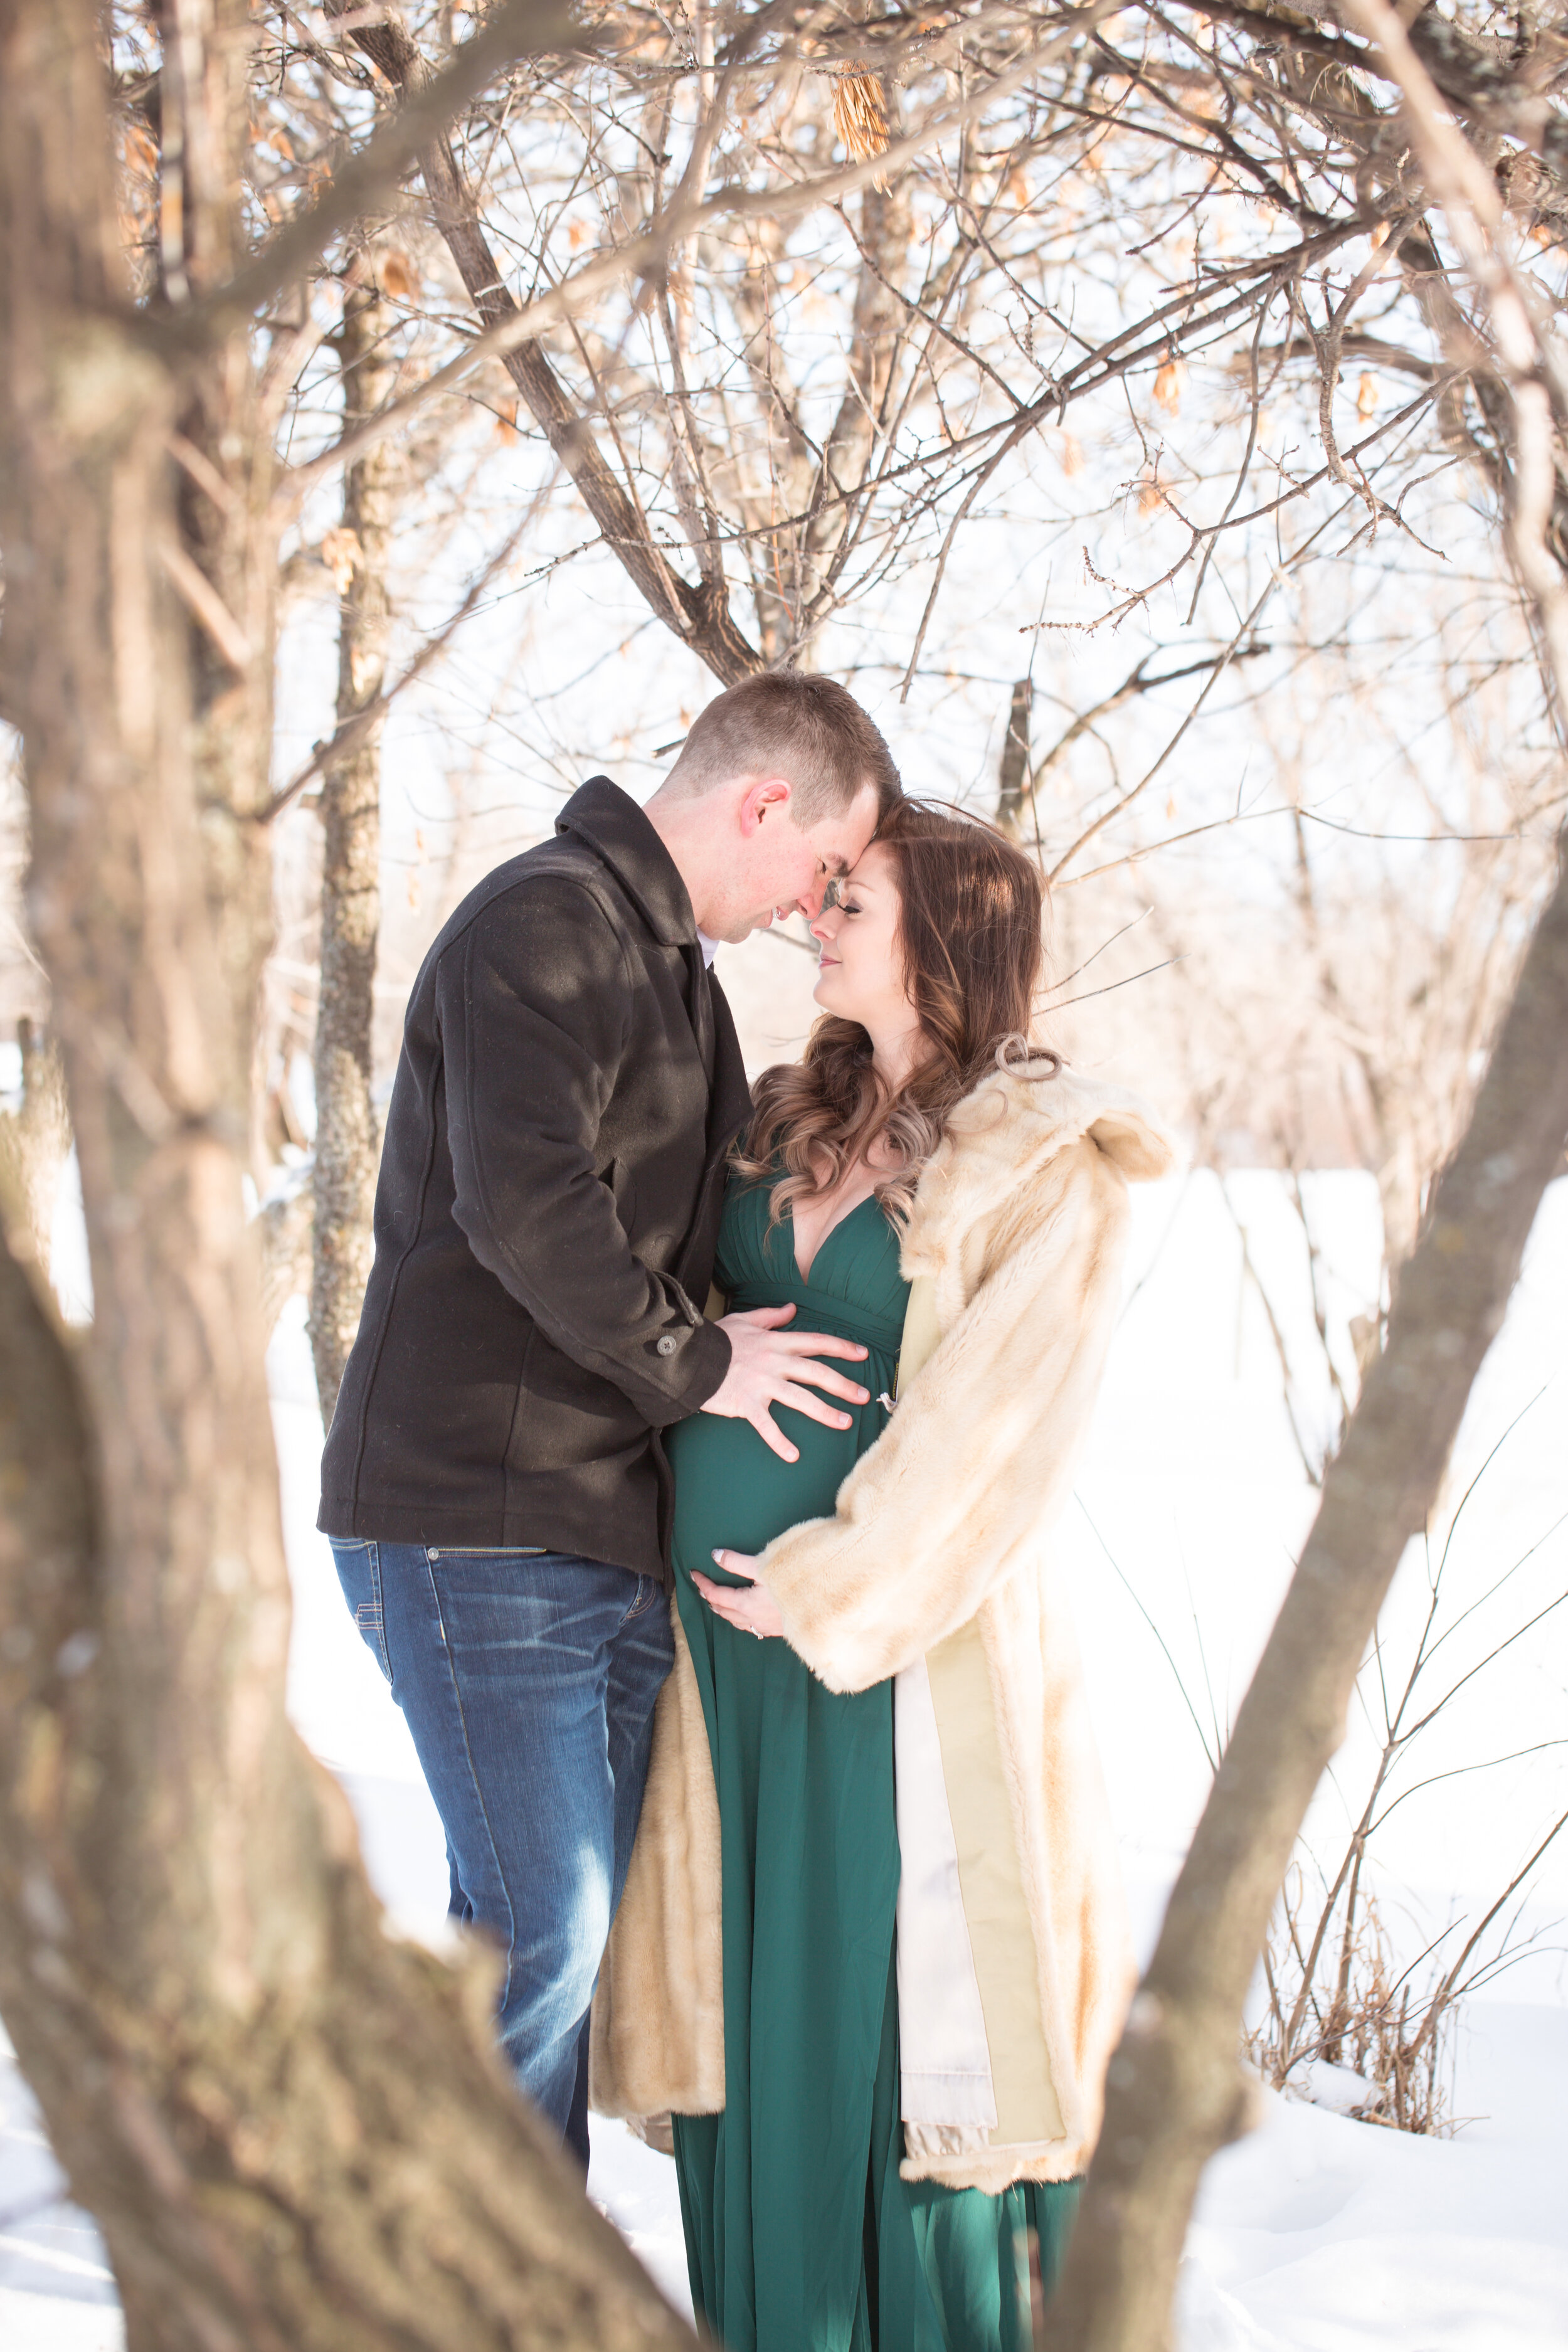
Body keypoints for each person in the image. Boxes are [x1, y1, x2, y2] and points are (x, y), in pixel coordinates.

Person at [588, 801, 1173, 2350]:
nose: (819, 915)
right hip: (719, 1667)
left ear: (946, 943)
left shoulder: (1047, 1160)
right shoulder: (778, 1116)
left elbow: (1003, 1425)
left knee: (898, 2024)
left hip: (901, 1670)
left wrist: (831, 1585)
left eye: (857, 899)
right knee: (746, 2018)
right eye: (826, 890)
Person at [319, 671, 902, 2168]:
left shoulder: (680, 981)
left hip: (599, 1527)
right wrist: (701, 1369)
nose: (807, 906)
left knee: (533, 1948)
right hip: (473, 1520)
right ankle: (462, 2283)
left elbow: (702, 1216)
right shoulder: (545, 923)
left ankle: (492, 2264)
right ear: (762, 805)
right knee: (542, 1934)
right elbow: (525, 1206)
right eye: (819, 868)